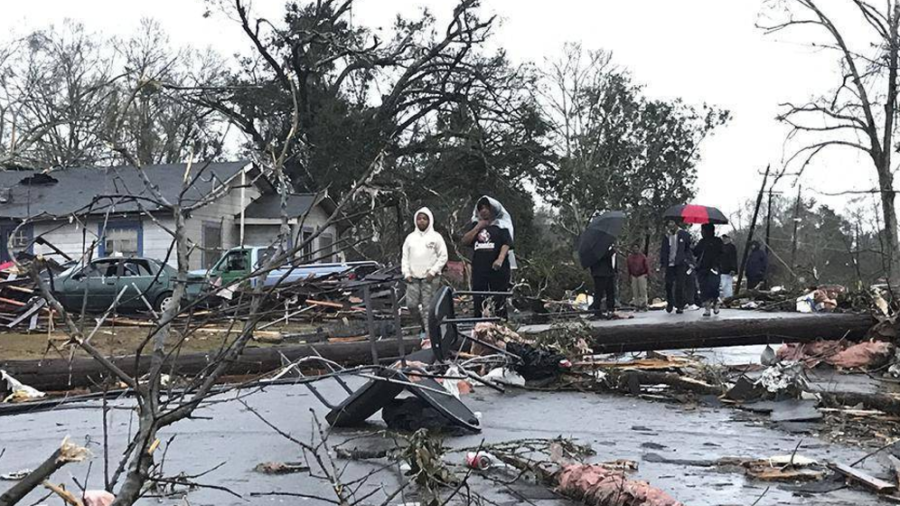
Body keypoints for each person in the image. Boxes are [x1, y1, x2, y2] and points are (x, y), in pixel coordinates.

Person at [462, 197, 513, 318]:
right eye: (481, 208)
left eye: (486, 207)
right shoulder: (475, 226)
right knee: (479, 297)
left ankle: (501, 324)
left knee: (499, 298)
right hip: (480, 267)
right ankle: (479, 326)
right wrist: (478, 227)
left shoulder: (501, 225)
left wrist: (500, 259)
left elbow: (507, 244)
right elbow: (465, 241)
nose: (484, 211)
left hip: (498, 268)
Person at [402, 207, 448, 338]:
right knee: (411, 305)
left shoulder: (436, 237)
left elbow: (443, 256)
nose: (421, 221)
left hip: (430, 277)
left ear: (429, 220)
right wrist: (406, 273)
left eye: (424, 218)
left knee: (428, 307)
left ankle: (429, 335)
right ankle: (423, 325)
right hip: (413, 277)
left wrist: (433, 272)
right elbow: (405, 257)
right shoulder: (410, 238)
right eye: (419, 218)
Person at [659, 219, 692, 314]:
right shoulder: (666, 236)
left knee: (679, 285)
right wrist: (662, 263)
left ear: (676, 224)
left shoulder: (684, 235)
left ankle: (680, 305)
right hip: (669, 264)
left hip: (680, 263)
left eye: (672, 222)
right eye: (669, 223)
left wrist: (688, 261)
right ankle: (670, 303)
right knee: (668, 284)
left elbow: (688, 249)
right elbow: (663, 250)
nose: (670, 224)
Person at [692, 223, 724, 317]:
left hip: (713, 268)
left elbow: (722, 254)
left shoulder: (717, 241)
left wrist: (716, 263)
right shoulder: (702, 241)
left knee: (713, 287)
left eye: (703, 230)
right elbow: (696, 252)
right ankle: (707, 308)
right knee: (704, 289)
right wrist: (692, 245)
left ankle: (715, 302)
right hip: (703, 269)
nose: (702, 232)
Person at [590, 243, 617, 319]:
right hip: (600, 274)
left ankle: (610, 309)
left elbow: (611, 261)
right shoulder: (596, 250)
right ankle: (597, 310)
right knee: (599, 293)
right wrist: (611, 251)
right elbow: (603, 256)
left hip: (608, 273)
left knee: (610, 292)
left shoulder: (605, 249)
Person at [626, 242, 650, 311]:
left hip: (642, 274)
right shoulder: (629, 258)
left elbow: (646, 265)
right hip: (633, 275)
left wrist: (647, 274)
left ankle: (644, 304)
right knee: (635, 291)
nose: (635, 249)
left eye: (636, 247)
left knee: (643, 290)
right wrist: (628, 277)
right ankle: (636, 305)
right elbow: (628, 268)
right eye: (634, 248)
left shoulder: (642, 256)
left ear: (638, 248)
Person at [719, 234, 738, 300]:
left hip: (729, 270)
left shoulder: (732, 247)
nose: (724, 239)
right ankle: (724, 298)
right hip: (721, 269)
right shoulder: (721, 246)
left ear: (729, 238)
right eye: (723, 238)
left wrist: (733, 269)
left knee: (728, 285)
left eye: (726, 237)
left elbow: (733, 259)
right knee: (723, 285)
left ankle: (728, 298)